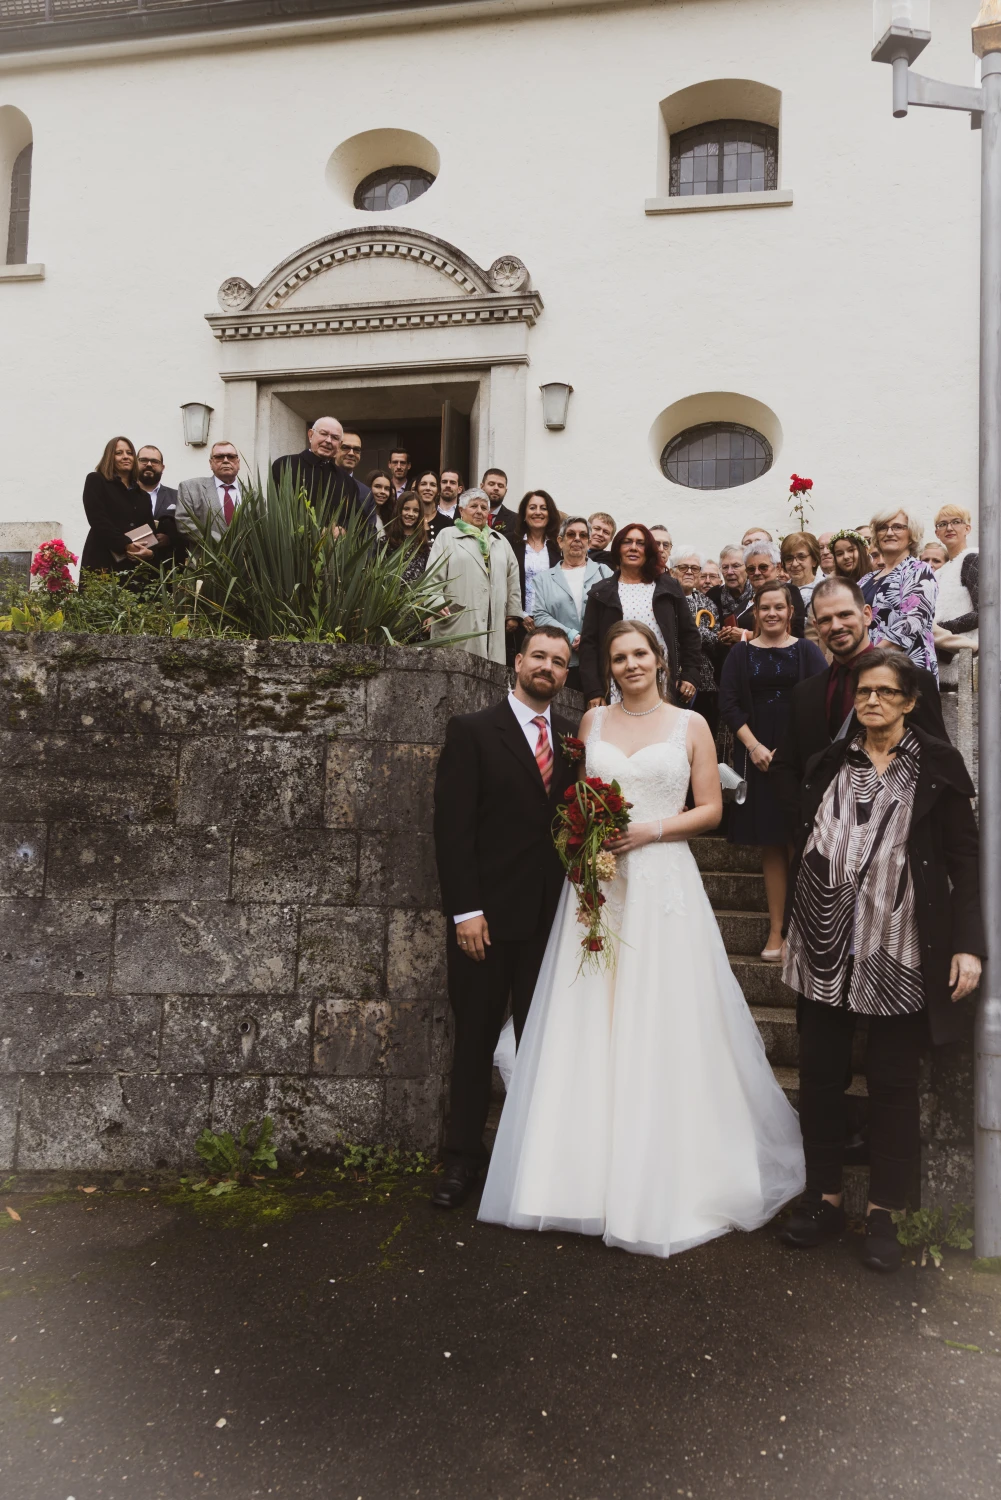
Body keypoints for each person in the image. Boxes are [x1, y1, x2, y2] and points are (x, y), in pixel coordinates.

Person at [478, 621, 806, 1255]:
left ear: (660, 660)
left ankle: (662, 1174)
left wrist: (649, 831)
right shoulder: (591, 725)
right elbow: (574, 796)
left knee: (661, 1014)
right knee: (588, 1013)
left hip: (660, 883)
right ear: (608, 665)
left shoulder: (691, 726)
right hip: (597, 884)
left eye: (640, 654)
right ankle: (574, 1177)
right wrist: (587, 836)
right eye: (619, 656)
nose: (630, 664)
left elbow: (709, 808)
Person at [780, 648, 984, 1272]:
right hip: (823, 945)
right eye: (864, 692)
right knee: (820, 1077)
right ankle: (826, 1197)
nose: (871, 701)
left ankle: (887, 1213)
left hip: (900, 951)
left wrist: (969, 945)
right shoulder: (829, 761)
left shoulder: (939, 766)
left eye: (885, 693)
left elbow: (965, 863)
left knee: (894, 1084)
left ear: (910, 700)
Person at [431, 626, 577, 1207]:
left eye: (558, 662)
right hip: (485, 924)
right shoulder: (471, 732)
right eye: (538, 657)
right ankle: (461, 1159)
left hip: (551, 922)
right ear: (517, 663)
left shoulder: (570, 738)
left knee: (545, 1043)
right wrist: (466, 911)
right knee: (475, 1042)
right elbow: (452, 829)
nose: (547, 667)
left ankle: (534, 1161)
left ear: (567, 675)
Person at [772, 575, 948, 825]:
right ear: (815, 626)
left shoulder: (913, 681)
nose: (835, 626)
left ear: (867, 614)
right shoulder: (805, 692)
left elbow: (938, 763)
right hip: (822, 846)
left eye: (844, 615)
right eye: (825, 620)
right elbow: (785, 766)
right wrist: (807, 823)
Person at [719, 583, 827, 961]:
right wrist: (754, 745)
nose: (771, 614)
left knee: (801, 841)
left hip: (798, 759)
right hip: (758, 755)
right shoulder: (740, 653)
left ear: (790, 611)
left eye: (778, 607)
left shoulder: (808, 651)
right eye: (764, 607)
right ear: (755, 611)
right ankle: (776, 929)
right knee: (771, 844)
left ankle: (803, 930)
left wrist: (791, 749)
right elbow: (729, 703)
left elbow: (821, 699)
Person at [578, 523, 703, 708]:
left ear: (649, 550)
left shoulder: (668, 587)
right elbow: (589, 644)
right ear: (618, 549)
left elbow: (689, 635)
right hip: (615, 683)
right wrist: (594, 690)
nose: (633, 548)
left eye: (640, 543)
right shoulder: (601, 592)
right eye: (627, 542)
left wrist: (690, 675)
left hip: (660, 680)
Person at [425, 487, 523, 663]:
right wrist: (435, 602)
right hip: (457, 617)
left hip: (493, 621)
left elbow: (513, 578)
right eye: (474, 506)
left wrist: (513, 613)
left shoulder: (499, 541)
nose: (479, 511)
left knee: (490, 674)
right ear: (461, 510)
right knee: (456, 670)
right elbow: (432, 576)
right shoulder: (447, 536)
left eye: (484, 507)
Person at [531, 516, 612, 693]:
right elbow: (540, 615)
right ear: (560, 541)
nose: (577, 539)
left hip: (599, 660)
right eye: (571, 534)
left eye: (583, 535)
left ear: (589, 542)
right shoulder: (543, 579)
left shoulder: (604, 573)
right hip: (562, 659)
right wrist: (572, 636)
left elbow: (614, 612)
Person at [860, 506, 939, 681]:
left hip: (906, 670)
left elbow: (912, 621)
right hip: (868, 672)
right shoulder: (866, 579)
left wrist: (868, 659)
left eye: (897, 527)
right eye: (883, 527)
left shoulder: (919, 570)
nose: (889, 532)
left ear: (911, 535)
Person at [272, 417, 374, 531]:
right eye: (324, 434)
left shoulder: (346, 480)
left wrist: (343, 530)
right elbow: (278, 510)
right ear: (311, 435)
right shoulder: (285, 465)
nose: (328, 441)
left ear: (339, 444)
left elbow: (358, 521)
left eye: (335, 438)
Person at [80, 436, 158, 579]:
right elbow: (98, 520)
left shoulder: (143, 496)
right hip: (103, 561)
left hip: (135, 567)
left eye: (129, 453)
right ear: (110, 456)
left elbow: (150, 530)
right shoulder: (96, 480)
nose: (125, 457)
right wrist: (126, 545)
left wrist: (150, 553)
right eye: (119, 453)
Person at [670, 545, 721, 737]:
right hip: (672, 678)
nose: (690, 572)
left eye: (695, 568)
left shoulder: (707, 603)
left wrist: (691, 633)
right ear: (673, 570)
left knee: (700, 736)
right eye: (684, 567)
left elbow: (716, 640)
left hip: (704, 681)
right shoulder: (665, 598)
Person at [931, 503, 979, 663]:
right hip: (941, 659)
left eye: (956, 522)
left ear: (967, 528)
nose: (949, 528)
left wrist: (939, 629)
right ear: (937, 533)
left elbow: (984, 613)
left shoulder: (972, 559)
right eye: (943, 524)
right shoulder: (938, 573)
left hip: (968, 658)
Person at [177, 439, 245, 541]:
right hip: (205, 555)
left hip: (245, 556)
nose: (226, 460)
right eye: (219, 457)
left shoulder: (253, 495)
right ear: (211, 463)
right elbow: (183, 522)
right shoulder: (190, 488)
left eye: (231, 457)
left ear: (238, 463)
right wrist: (221, 541)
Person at [736, 541, 806, 639]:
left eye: (763, 567)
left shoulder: (789, 591)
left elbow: (795, 632)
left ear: (777, 568)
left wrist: (748, 635)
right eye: (751, 569)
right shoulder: (745, 602)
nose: (756, 573)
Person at [511, 489, 561, 626]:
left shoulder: (559, 546)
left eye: (543, 508)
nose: (538, 512)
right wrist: (520, 615)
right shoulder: (511, 543)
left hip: (552, 620)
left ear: (550, 514)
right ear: (524, 514)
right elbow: (506, 582)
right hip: (518, 621)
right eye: (532, 508)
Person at [135, 444, 185, 569]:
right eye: (144, 460)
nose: (149, 464)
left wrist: (169, 539)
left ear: (162, 467)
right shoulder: (123, 494)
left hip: (166, 569)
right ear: (135, 464)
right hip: (130, 565)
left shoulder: (177, 496)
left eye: (155, 461)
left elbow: (186, 531)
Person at [382, 490, 430, 584]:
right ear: (399, 510)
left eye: (415, 510)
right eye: (406, 509)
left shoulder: (424, 545)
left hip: (417, 597)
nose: (411, 514)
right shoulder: (385, 542)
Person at [780, 532, 822, 608]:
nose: (795, 564)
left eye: (801, 557)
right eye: (789, 558)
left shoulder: (827, 589)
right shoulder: (780, 591)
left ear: (814, 560)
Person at [482, 468, 519, 539]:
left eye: (500, 486)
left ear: (505, 491)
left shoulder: (516, 520)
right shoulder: (470, 515)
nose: (496, 488)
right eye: (491, 484)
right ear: (482, 486)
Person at [336, 432, 370, 505]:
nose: (351, 453)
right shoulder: (319, 483)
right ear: (335, 449)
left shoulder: (366, 493)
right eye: (345, 447)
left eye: (356, 449)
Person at [365, 469, 398, 535]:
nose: (383, 491)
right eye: (377, 486)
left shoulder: (392, 518)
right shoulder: (361, 516)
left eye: (386, 488)